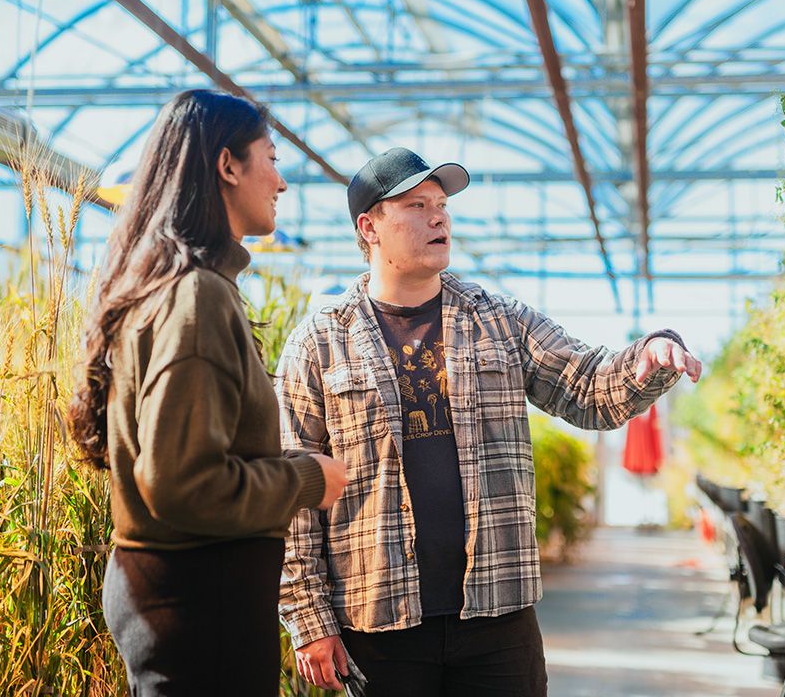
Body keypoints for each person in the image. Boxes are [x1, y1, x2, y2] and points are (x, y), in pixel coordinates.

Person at [276, 147, 702, 696]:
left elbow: (587, 388)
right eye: (415, 205)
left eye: (442, 205)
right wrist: (309, 622)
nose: (438, 217)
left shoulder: (497, 318)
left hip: (497, 614)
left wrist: (649, 356)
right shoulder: (318, 341)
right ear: (370, 227)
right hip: (378, 621)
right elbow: (292, 490)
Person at [66, 90, 347, 695]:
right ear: (228, 165)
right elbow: (183, 484)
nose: (282, 182)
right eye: (270, 157)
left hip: (181, 602)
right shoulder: (197, 296)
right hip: (198, 608)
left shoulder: (171, 287)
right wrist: (307, 478)